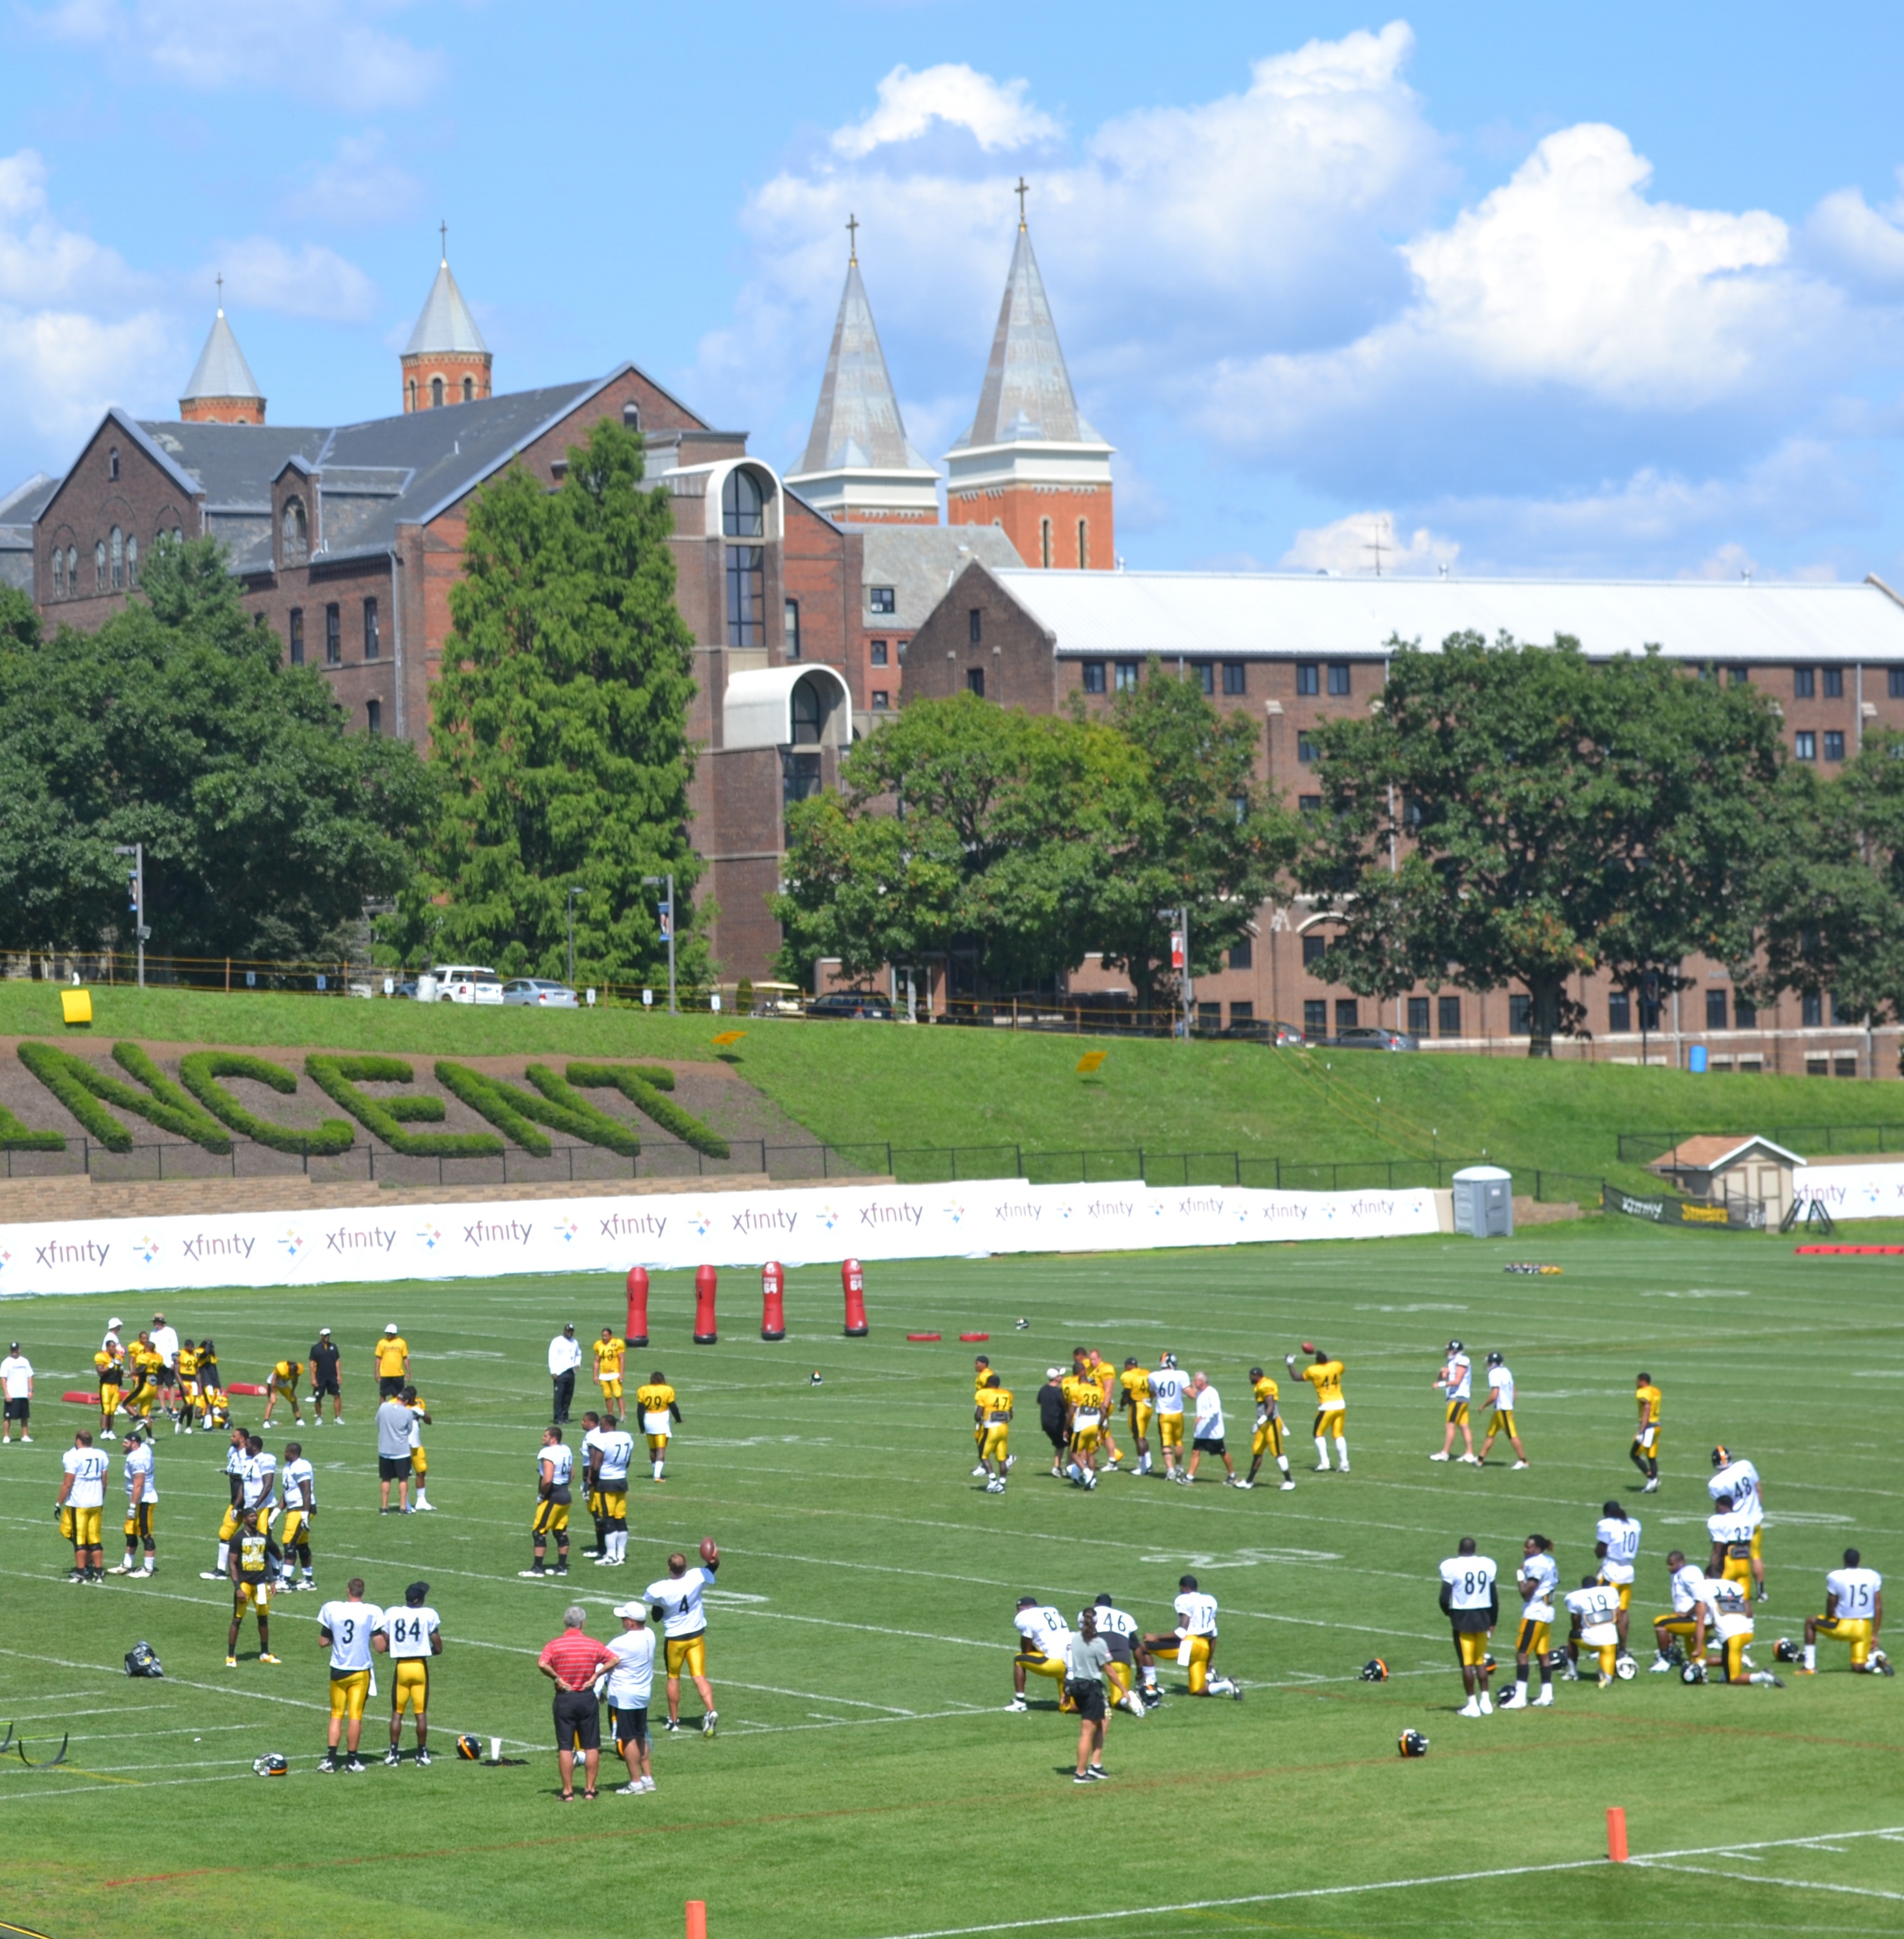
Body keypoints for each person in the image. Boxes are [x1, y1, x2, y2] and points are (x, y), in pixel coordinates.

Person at [538, 1606, 617, 1802]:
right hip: (587, 1697)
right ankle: (590, 1790)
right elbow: (614, 1659)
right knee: (591, 1745)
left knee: (566, 1747)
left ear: (565, 1622)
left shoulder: (555, 1645)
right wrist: (596, 1675)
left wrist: (557, 1678)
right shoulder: (593, 1645)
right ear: (583, 1624)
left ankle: (568, 1792)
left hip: (565, 1697)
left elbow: (542, 1663)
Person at [646, 1543, 719, 1736]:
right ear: (686, 1567)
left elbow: (655, 1616)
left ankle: (674, 1720)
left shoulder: (661, 1589)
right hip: (696, 1636)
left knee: (673, 1677)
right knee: (699, 1676)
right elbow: (712, 1568)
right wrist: (713, 1559)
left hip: (675, 1640)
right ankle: (711, 1710)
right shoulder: (695, 1578)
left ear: (669, 1569)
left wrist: (661, 1605)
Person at [318, 1578, 383, 1772]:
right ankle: (352, 1761)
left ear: (348, 1591)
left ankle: (330, 1760)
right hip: (360, 1671)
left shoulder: (333, 1609)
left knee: (336, 1715)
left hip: (338, 1669)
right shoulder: (371, 1612)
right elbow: (380, 1646)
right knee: (355, 1716)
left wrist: (334, 1641)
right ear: (362, 1592)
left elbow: (322, 1642)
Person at [376, 1580, 443, 1765]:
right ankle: (422, 1754)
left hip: (402, 1667)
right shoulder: (428, 1614)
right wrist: (431, 1650)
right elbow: (438, 1644)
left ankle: (393, 1754)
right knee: (420, 1713)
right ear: (420, 1600)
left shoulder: (393, 1613)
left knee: (397, 1713)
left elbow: (384, 1642)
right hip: (420, 1667)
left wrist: (397, 1648)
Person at [1141, 1574, 1239, 1697]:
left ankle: (1152, 1685)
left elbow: (1181, 1633)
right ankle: (1226, 1684)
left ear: (1186, 1588)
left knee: (1144, 1647)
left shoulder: (1185, 1600)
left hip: (1190, 1645)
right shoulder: (1210, 1600)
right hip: (1204, 1649)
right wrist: (1210, 1659)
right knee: (1198, 1690)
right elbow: (1214, 1634)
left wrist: (1156, 1637)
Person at [1801, 1548, 1889, 1675]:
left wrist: (1831, 1619)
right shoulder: (1872, 1576)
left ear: (1845, 1561)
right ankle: (1875, 1663)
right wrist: (1874, 1634)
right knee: (1858, 1666)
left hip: (1844, 1626)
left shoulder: (1837, 1577)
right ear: (1859, 1561)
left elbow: (1831, 1605)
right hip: (1864, 1628)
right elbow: (1878, 1606)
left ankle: (1809, 1666)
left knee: (1810, 1622)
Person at [1439, 1536, 1498, 1717]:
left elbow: (1443, 1598)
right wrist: (1493, 1621)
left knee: (1466, 1662)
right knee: (1480, 1660)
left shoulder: (1452, 1566)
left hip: (1463, 1616)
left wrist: (1448, 1612)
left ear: (1459, 1549)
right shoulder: (1486, 1564)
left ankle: (1472, 1704)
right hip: (1483, 1615)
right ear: (1475, 1549)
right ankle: (1486, 1701)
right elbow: (1494, 1597)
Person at [601, 1602, 657, 1793]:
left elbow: (600, 1659)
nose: (622, 1622)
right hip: (643, 1693)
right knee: (640, 1736)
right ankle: (648, 1778)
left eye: (625, 1619)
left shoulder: (622, 1643)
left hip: (625, 1696)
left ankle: (635, 1782)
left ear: (632, 1622)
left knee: (628, 1739)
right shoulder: (650, 1634)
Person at [1692, 1570, 1783, 1687]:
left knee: (1734, 1679)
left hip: (1732, 1636)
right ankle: (1728, 1671)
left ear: (1707, 1576)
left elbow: (1701, 1621)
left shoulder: (1702, 1587)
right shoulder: (1734, 1586)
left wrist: (1698, 1648)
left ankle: (1763, 1676)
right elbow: (1748, 1611)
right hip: (1747, 1632)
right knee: (1727, 1655)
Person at [1498, 1534, 1558, 1709]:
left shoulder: (1536, 1564)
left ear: (1537, 1549)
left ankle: (1520, 1697)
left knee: (1522, 1653)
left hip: (1535, 1612)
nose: (1525, 1550)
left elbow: (1526, 1592)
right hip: (1547, 1610)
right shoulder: (1549, 1561)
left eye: (1528, 1547)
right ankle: (1547, 1695)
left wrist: (1519, 1575)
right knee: (1542, 1654)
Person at [1064, 1607, 1115, 1784]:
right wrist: (1125, 1691)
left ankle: (1096, 1765)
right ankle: (1080, 1772)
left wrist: (1065, 1693)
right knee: (1087, 1732)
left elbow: (1068, 1666)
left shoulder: (1074, 1639)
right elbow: (1109, 1669)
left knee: (1103, 1720)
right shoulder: (1099, 1643)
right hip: (1091, 1688)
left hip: (1076, 1686)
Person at [1709, 1445, 1767, 1599]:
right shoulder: (1745, 1466)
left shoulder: (1717, 1483)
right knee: (1756, 1555)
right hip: (1755, 1518)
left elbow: (1722, 1506)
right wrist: (1757, 1509)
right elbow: (1758, 1488)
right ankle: (1761, 1592)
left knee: (1730, 1556)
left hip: (1736, 1524)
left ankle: (1726, 1590)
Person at [226, 1509, 281, 1666]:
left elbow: (268, 1559)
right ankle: (231, 1655)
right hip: (245, 1583)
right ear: (244, 1519)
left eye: (255, 1516)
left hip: (261, 1584)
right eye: (251, 1516)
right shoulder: (238, 1539)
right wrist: (237, 1587)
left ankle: (264, 1652)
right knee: (237, 1619)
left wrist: (271, 1581)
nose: (255, 1518)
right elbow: (232, 1563)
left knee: (263, 1619)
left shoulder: (262, 1538)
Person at [57, 1428, 109, 1583]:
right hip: (97, 1502)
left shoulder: (72, 1456)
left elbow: (67, 1484)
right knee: (95, 1539)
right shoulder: (101, 1455)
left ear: (78, 1440)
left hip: (79, 1504)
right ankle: (99, 1574)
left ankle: (81, 1573)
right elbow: (104, 1481)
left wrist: (58, 1503)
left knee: (80, 1540)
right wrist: (101, 1497)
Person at [523, 1426, 573, 1578]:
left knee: (539, 1532)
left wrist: (541, 1495)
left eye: (545, 1436)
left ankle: (537, 1569)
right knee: (560, 1531)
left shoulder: (548, 1453)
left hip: (553, 1496)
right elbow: (572, 1474)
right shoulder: (566, 1450)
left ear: (553, 1438)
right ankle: (561, 1567)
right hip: (565, 1494)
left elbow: (547, 1479)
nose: (542, 1438)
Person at [1289, 1345, 1349, 1473]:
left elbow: (1296, 1378)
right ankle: (1344, 1463)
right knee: (1338, 1434)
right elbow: (1334, 1365)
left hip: (1327, 1406)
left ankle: (1325, 1462)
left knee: (1318, 1434)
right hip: (1341, 1404)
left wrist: (1290, 1365)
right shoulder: (1337, 1365)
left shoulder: (1314, 1370)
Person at [584, 1410, 634, 1564]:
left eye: (601, 1425)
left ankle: (611, 1555)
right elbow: (628, 1461)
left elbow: (596, 1464)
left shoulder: (602, 1439)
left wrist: (590, 1481)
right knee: (620, 1518)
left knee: (608, 1519)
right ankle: (621, 1554)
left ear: (606, 1425)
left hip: (606, 1482)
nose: (600, 1427)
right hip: (621, 1480)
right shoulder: (627, 1437)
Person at [1088, 1593, 1151, 1714]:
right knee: (1118, 1700)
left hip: (1097, 1660)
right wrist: (1139, 1671)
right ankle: (1130, 1700)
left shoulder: (1091, 1614)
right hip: (1121, 1660)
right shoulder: (1126, 1618)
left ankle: (1096, 1696)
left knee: (1086, 1692)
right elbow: (1137, 1648)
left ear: (1096, 1604)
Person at [1008, 1597, 1074, 1712]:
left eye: (1019, 1609)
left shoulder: (1025, 1616)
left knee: (1019, 1659)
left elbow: (1026, 1650)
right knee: (1066, 1707)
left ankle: (1019, 1702)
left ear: (1026, 1608)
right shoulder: (1051, 1610)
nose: (1017, 1612)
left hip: (1054, 1663)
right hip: (1071, 1663)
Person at [202, 1425, 249, 1580]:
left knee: (261, 1537)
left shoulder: (248, 1456)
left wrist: (238, 1505)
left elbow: (245, 1482)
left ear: (242, 1439)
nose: (231, 1438)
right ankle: (221, 1570)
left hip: (249, 1503)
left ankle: (275, 1571)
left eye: (234, 1436)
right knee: (225, 1533)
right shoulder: (232, 1452)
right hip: (235, 1501)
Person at [109, 1427, 157, 1577]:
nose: (123, 1444)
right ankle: (127, 1564)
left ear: (134, 1444)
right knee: (130, 1532)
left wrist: (132, 1506)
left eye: (126, 1442)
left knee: (145, 1533)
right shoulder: (144, 1449)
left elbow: (138, 1484)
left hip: (143, 1500)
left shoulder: (136, 1458)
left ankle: (148, 1569)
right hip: (138, 1500)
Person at [1649, 1550, 1707, 1671]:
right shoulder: (1678, 1575)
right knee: (1697, 1661)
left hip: (1695, 1620)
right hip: (1690, 1619)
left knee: (1660, 1623)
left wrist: (1688, 1613)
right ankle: (1731, 1659)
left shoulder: (1688, 1573)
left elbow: (1701, 1598)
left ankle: (1665, 1659)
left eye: (1671, 1564)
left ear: (1681, 1563)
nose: (1668, 1567)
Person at [1595, 1500, 1642, 1651]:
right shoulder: (1634, 1524)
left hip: (1612, 1571)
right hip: (1628, 1570)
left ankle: (1604, 1644)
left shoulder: (1607, 1524)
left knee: (1602, 1609)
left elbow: (1601, 1550)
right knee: (1622, 1612)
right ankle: (1623, 1647)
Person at [1564, 1576, 1625, 1686]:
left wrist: (1578, 1629)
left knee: (1572, 1637)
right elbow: (1619, 1616)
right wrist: (1622, 1644)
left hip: (1590, 1639)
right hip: (1611, 1638)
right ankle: (1607, 1677)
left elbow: (1575, 1618)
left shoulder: (1576, 1596)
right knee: (1607, 1654)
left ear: (1582, 1587)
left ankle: (1573, 1672)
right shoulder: (1611, 1591)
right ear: (1597, 1584)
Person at [1245, 1365, 1295, 1490]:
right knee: (1257, 1451)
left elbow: (1271, 1406)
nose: (1250, 1378)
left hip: (1271, 1423)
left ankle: (1289, 1481)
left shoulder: (1266, 1385)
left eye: (1252, 1376)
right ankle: (1249, 1481)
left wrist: (1260, 1421)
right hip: (1264, 1425)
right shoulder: (1261, 1384)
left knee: (1278, 1453)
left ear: (1257, 1376)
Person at [1187, 1372, 1240, 1485]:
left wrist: (1201, 1417)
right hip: (1202, 1432)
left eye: (1195, 1380)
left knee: (1222, 1452)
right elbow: (1192, 1395)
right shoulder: (1200, 1393)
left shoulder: (1212, 1393)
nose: (1194, 1382)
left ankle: (1232, 1475)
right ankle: (1189, 1477)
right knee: (1195, 1452)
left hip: (1213, 1431)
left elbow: (1215, 1408)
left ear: (1201, 1381)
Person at [1476, 1352, 1528, 1468]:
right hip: (1503, 1408)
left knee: (1512, 1435)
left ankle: (1523, 1461)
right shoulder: (1506, 1371)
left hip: (1502, 1408)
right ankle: (1480, 1459)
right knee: (1490, 1433)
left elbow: (1495, 1394)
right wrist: (1512, 1406)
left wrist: (1483, 1406)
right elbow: (1515, 1391)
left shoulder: (1494, 1374)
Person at [1706, 1491, 1756, 1609]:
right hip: (1744, 1564)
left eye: (1717, 1507)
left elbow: (1717, 1550)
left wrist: (1712, 1569)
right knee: (1745, 1601)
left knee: (1721, 1602)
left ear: (1723, 1506)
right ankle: (1749, 1625)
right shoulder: (1747, 1519)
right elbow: (1748, 1544)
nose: (1716, 1510)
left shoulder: (1718, 1521)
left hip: (1729, 1564)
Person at [1430, 1340, 1477, 1464]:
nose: (1447, 1352)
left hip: (1458, 1397)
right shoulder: (1452, 1362)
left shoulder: (1462, 1360)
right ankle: (1469, 1453)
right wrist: (1442, 1374)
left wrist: (1439, 1385)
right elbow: (1443, 1378)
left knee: (1450, 1425)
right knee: (1463, 1426)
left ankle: (1445, 1453)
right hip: (1459, 1397)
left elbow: (1457, 1381)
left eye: (1449, 1350)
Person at [278, 1440, 316, 1591]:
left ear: (292, 1453)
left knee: (289, 1542)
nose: (284, 1453)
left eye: (286, 1451)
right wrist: (276, 1512)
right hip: (295, 1508)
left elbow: (306, 1491)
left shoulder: (301, 1466)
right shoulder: (289, 1467)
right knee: (301, 1544)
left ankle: (285, 1580)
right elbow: (288, 1492)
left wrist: (305, 1515)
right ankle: (308, 1580)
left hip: (301, 1509)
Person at [1061, 1361, 1103, 1489]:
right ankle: (1091, 1479)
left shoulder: (1077, 1390)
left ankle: (1088, 1474)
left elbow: (1071, 1412)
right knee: (1090, 1453)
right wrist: (1099, 1426)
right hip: (1094, 1426)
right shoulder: (1097, 1390)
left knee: (1074, 1453)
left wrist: (1065, 1428)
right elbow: (1104, 1411)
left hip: (1081, 1426)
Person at [1148, 1352, 1189, 1483]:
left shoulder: (1154, 1376)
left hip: (1164, 1415)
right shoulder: (1181, 1375)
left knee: (1166, 1443)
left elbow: (1153, 1393)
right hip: (1178, 1414)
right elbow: (1189, 1392)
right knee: (1178, 1441)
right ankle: (1179, 1467)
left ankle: (1170, 1470)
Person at [635, 1370, 681, 1482]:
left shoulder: (643, 1390)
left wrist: (641, 1426)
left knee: (652, 1449)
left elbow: (640, 1410)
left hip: (648, 1419)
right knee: (661, 1450)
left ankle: (656, 1472)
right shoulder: (667, 1390)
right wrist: (678, 1419)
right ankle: (657, 1476)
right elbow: (673, 1407)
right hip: (661, 1420)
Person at [376, 1389, 415, 1514]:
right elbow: (409, 1430)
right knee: (403, 1479)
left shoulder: (383, 1407)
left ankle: (384, 1507)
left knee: (386, 1479)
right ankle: (403, 1507)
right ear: (407, 1401)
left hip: (385, 1450)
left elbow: (378, 1423)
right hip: (401, 1451)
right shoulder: (407, 1413)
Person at [1085, 1350, 1124, 1470]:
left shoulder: (1106, 1369)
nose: (1092, 1362)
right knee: (1105, 1433)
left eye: (1094, 1359)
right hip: (1095, 1405)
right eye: (1091, 1359)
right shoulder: (1089, 1368)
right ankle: (1113, 1459)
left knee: (1100, 1433)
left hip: (1103, 1405)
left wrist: (1104, 1409)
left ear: (1100, 1358)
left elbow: (1108, 1390)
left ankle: (1088, 1459)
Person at [976, 1373, 1012, 1493]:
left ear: (989, 1384)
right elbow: (1010, 1415)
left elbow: (978, 1415)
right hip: (1004, 1428)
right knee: (1002, 1459)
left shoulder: (984, 1393)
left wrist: (980, 1420)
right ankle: (1002, 1483)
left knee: (984, 1456)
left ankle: (993, 1482)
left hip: (991, 1429)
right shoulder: (1007, 1394)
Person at [1119, 1357, 1153, 1477]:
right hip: (1148, 1406)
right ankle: (1148, 1463)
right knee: (1142, 1436)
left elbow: (1127, 1394)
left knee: (1138, 1438)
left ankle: (1142, 1467)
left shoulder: (1128, 1375)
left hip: (1137, 1407)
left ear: (1129, 1366)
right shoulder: (1147, 1373)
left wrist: (1122, 1405)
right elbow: (1153, 1390)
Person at [402, 1386, 434, 1513]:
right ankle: (405, 1502)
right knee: (405, 1475)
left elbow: (429, 1421)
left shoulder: (419, 1403)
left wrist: (422, 1413)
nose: (411, 1400)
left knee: (422, 1470)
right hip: (403, 1444)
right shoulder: (398, 1404)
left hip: (416, 1444)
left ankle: (421, 1501)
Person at [240, 1433, 277, 1537]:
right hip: (249, 1504)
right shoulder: (248, 1462)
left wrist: (256, 1505)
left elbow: (268, 1485)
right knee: (252, 1537)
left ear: (255, 1447)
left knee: (263, 1538)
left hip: (263, 1505)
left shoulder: (265, 1459)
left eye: (247, 1446)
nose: (245, 1448)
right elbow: (244, 1485)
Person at [1631, 1371, 1662, 1492]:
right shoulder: (1656, 1391)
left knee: (1634, 1454)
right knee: (1651, 1456)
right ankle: (1653, 1481)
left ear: (1642, 1381)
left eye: (1638, 1381)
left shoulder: (1643, 1392)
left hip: (1648, 1428)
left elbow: (1647, 1409)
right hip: (1657, 1426)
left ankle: (1652, 1478)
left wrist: (1641, 1431)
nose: (1636, 1383)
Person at [150, 1311, 180, 1429]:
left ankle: (172, 1405)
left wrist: (174, 1361)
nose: (155, 1324)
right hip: (157, 1363)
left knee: (170, 1385)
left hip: (168, 1362)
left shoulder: (170, 1332)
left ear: (160, 1322)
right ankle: (163, 1406)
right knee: (159, 1385)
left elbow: (175, 1346)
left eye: (156, 1322)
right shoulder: (153, 1333)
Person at [1037, 1369, 1068, 1477]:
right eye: (1061, 1375)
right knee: (1075, 1442)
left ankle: (1057, 1467)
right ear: (1056, 1378)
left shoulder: (1043, 1389)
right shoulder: (1059, 1392)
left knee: (1060, 1444)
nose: (1063, 1376)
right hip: (1058, 1422)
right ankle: (1069, 1468)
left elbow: (1039, 1402)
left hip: (1046, 1422)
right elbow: (1066, 1407)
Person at [549, 1323, 583, 1425]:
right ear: (564, 1331)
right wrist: (553, 1371)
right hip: (560, 1372)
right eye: (568, 1331)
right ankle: (558, 1417)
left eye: (571, 1331)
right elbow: (552, 1356)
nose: (569, 1333)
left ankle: (565, 1415)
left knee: (568, 1395)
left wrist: (577, 1364)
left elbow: (578, 1354)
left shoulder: (574, 1342)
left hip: (570, 1371)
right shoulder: (557, 1341)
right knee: (559, 1395)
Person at [308, 1328, 343, 1426]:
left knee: (337, 1396)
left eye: (328, 1335)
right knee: (318, 1398)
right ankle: (319, 1417)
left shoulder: (334, 1347)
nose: (327, 1337)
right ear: (321, 1336)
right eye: (325, 1335)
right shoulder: (315, 1348)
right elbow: (312, 1363)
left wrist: (339, 1375)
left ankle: (337, 1417)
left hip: (332, 1376)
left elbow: (337, 1361)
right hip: (320, 1377)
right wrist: (313, 1378)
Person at [93, 1336, 127, 1435]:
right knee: (106, 1409)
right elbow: (100, 1372)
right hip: (106, 1385)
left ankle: (110, 1430)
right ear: (107, 1348)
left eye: (115, 1347)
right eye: (112, 1347)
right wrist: (110, 1366)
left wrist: (120, 1369)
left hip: (115, 1386)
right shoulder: (101, 1356)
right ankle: (103, 1431)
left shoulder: (118, 1358)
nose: (114, 1349)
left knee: (112, 1410)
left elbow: (120, 1374)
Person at [593, 1327, 627, 1425]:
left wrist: (621, 1373)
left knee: (618, 1395)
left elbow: (622, 1359)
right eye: (603, 1336)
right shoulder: (599, 1345)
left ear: (611, 1336)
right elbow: (596, 1361)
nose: (604, 1338)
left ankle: (623, 1415)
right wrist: (595, 1375)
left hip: (615, 1373)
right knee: (607, 1396)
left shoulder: (617, 1343)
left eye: (606, 1336)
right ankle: (611, 1416)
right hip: (604, 1374)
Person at [1, 1341, 33, 1443]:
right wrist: (6, 1393)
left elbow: (30, 1376)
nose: (14, 1352)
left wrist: (30, 1390)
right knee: (7, 1417)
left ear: (19, 1349)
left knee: (24, 1416)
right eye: (12, 1350)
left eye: (16, 1350)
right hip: (12, 1394)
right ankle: (6, 1436)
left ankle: (24, 1435)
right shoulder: (6, 1362)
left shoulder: (25, 1362)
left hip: (23, 1393)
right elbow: (3, 1378)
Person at [262, 1354, 304, 1428]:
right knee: (272, 1401)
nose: (292, 1375)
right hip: (273, 1384)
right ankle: (266, 1422)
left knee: (293, 1399)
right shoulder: (282, 1370)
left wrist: (293, 1391)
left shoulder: (297, 1371)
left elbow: (295, 1381)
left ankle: (299, 1420)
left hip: (283, 1385)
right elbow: (274, 1380)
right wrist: (273, 1392)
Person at [969, 1354, 993, 1477]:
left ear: (984, 1364)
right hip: (982, 1405)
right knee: (980, 1436)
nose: (975, 1365)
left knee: (981, 1436)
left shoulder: (986, 1376)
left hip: (984, 1407)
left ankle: (984, 1465)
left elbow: (992, 1389)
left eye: (977, 1363)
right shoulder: (984, 1375)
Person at [374, 1324, 409, 1400]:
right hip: (385, 1374)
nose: (388, 1335)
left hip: (398, 1374)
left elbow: (405, 1358)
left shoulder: (402, 1343)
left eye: (390, 1333)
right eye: (387, 1333)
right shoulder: (382, 1343)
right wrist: (376, 1372)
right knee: (383, 1394)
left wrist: (408, 1372)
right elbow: (378, 1358)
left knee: (398, 1396)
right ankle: (382, 1411)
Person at [174, 1338, 200, 1433]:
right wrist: (183, 1386)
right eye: (190, 1347)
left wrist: (200, 1385)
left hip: (193, 1382)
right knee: (188, 1404)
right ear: (186, 1347)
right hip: (184, 1381)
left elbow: (197, 1372)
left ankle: (188, 1426)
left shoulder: (196, 1355)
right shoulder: (180, 1354)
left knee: (191, 1405)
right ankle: (180, 1420)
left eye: (193, 1347)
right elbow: (176, 1372)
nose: (192, 1349)